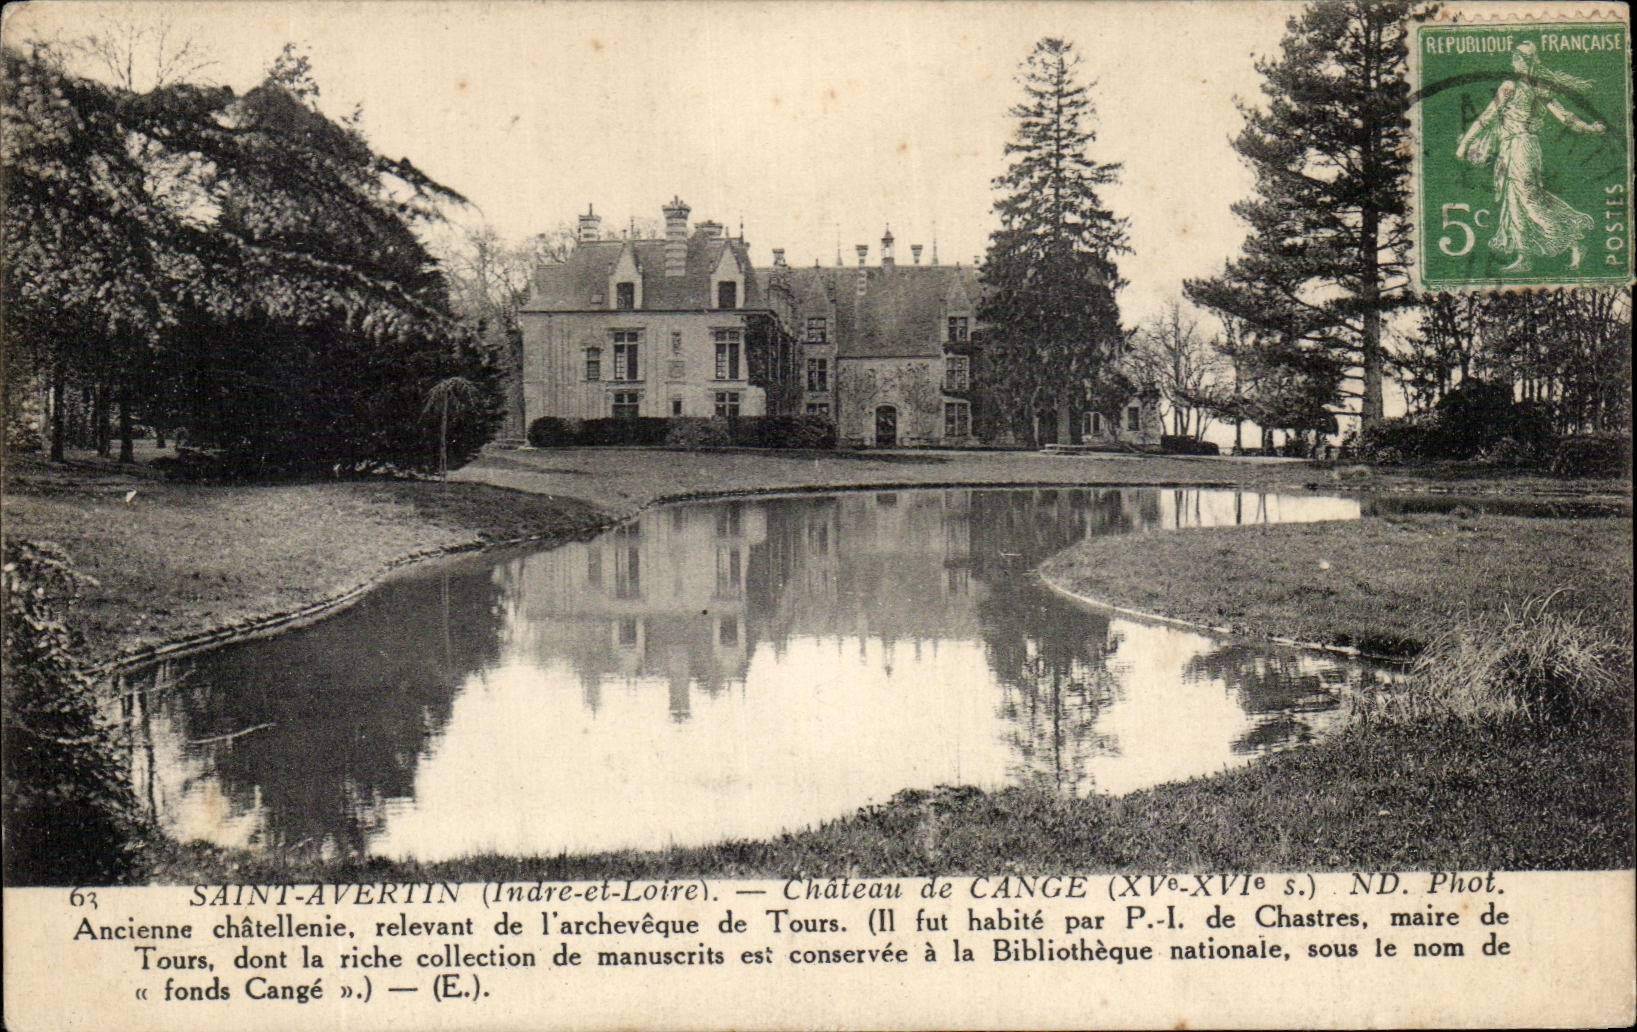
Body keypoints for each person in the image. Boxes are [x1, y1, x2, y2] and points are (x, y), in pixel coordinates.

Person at [1455, 41, 1607, 271]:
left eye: (1516, 58)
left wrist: (1464, 144)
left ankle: (1573, 239)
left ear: (1522, 61)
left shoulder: (1510, 86)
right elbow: (1565, 117)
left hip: (1519, 148)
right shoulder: (1541, 88)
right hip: (1522, 148)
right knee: (1515, 200)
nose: (1513, 62)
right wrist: (1590, 128)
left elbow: (1487, 116)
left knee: (1528, 199)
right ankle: (1525, 257)